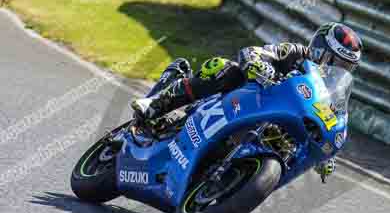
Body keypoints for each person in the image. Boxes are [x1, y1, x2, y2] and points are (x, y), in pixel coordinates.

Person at [131, 23, 363, 178]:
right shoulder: (294, 52)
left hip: (274, 124)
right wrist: (258, 64)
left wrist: (324, 154)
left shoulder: (328, 95)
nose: (337, 70)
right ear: (320, 51)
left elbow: (330, 121)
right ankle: (156, 104)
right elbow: (254, 52)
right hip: (246, 98)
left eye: (345, 67)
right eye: (336, 62)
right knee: (223, 68)